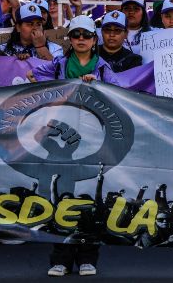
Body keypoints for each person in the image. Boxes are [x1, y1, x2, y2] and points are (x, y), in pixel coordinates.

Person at [27, 15, 109, 278]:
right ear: (70, 40)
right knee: (60, 197)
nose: (81, 39)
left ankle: (87, 257)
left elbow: (121, 94)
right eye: (76, 35)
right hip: (62, 137)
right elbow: (32, 76)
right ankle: (61, 258)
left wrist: (100, 85)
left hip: (93, 138)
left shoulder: (104, 67)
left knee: (87, 198)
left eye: (86, 35)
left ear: (94, 40)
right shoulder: (59, 65)